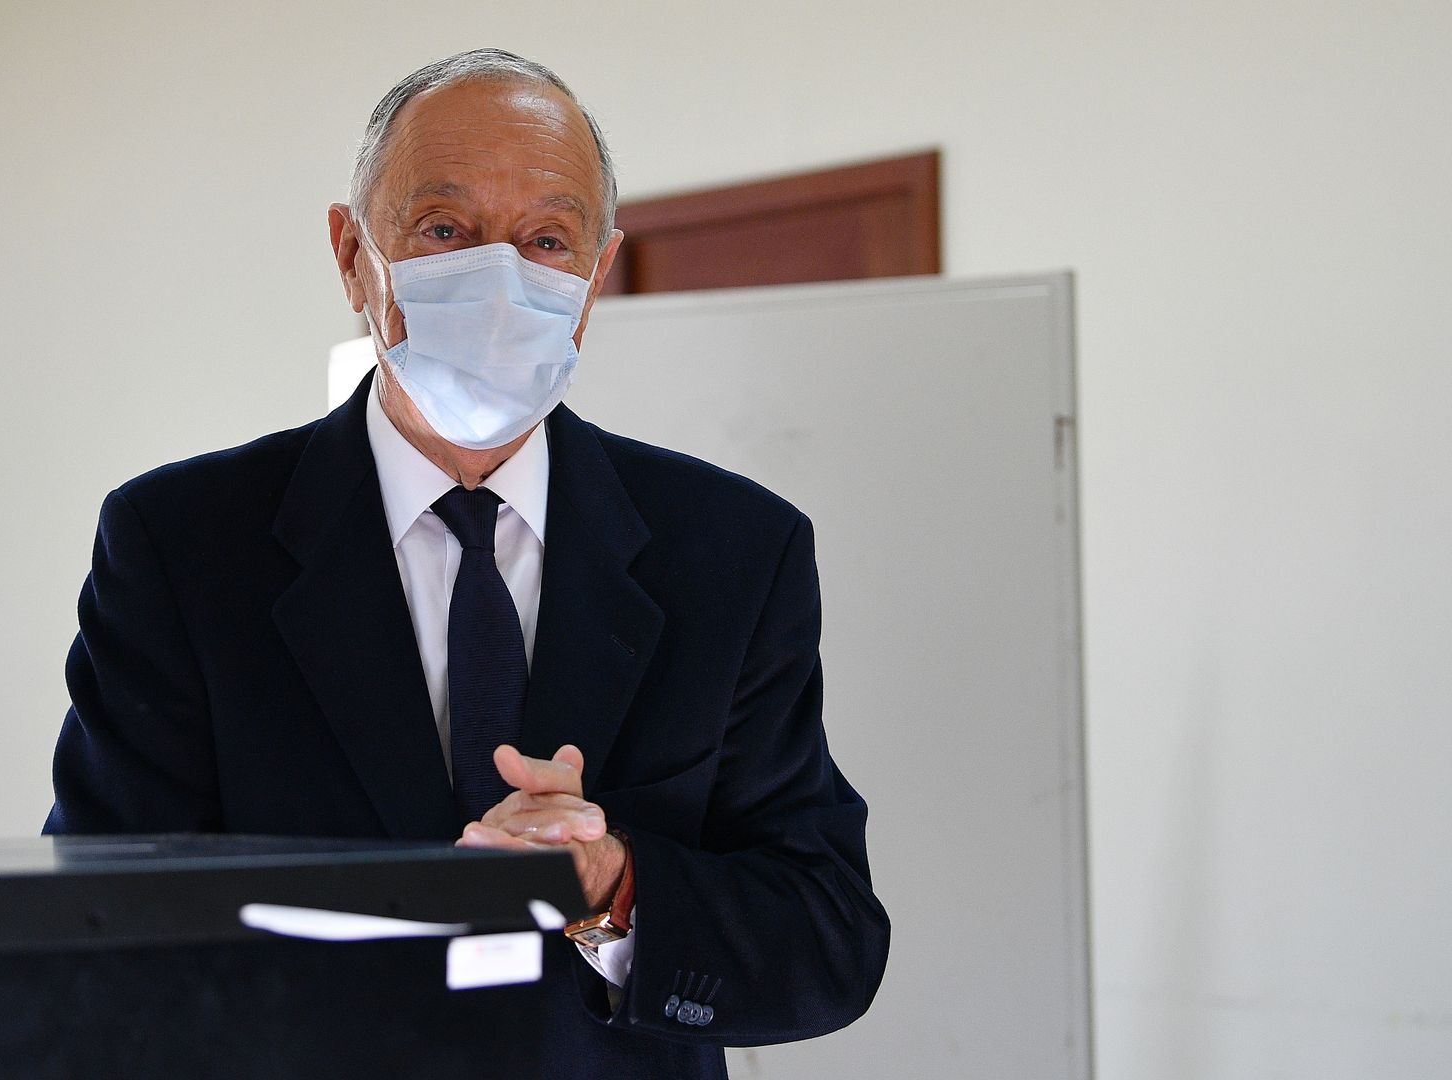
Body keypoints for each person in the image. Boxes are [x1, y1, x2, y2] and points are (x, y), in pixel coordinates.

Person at [44, 47, 889, 1079]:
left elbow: (829, 937)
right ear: (353, 255)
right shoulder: (182, 545)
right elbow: (88, 930)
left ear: (594, 279)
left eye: (545, 240)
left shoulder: (731, 554)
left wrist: (615, 889)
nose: (499, 278)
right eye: (445, 231)